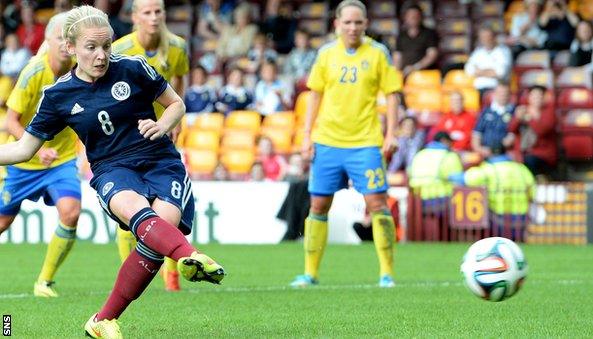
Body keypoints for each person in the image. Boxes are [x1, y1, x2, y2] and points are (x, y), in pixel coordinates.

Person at [0, 6, 225, 338]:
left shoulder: (133, 68)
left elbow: (176, 103)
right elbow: (22, 149)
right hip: (112, 169)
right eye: (91, 47)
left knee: (155, 239)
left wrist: (162, 124)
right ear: (71, 47)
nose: (101, 55)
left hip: (160, 160)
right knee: (145, 219)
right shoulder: (58, 95)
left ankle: (102, 320)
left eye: (106, 46)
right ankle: (191, 256)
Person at [290, 0, 401, 288]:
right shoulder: (326, 54)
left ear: (366, 24)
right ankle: (310, 273)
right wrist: (306, 136)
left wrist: (391, 133)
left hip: (365, 142)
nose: (353, 27)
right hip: (327, 141)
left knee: (377, 203)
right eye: (347, 22)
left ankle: (387, 274)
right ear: (336, 24)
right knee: (318, 204)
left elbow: (392, 95)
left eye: (358, 22)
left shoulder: (378, 53)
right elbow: (314, 95)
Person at [112, 0, 190, 292]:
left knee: (168, 206)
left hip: (163, 136)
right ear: (134, 17)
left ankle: (171, 275)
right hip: (127, 140)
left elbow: (180, 83)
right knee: (129, 208)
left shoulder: (177, 47)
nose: (154, 17)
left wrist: (175, 122)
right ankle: (129, 271)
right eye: (146, 12)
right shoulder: (119, 49)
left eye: (158, 11)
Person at [0, 13, 78, 298]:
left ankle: (44, 281)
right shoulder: (33, 72)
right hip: (23, 162)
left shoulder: (81, 71)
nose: (65, 44)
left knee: (71, 212)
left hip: (62, 158)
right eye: (59, 38)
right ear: (47, 40)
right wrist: (37, 147)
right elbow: (11, 122)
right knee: (3, 222)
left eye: (69, 39)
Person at [450, 143, 535, 241]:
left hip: (499, 215)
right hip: (521, 216)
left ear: (490, 153)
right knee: (516, 245)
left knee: (499, 242)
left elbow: (467, 179)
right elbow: (532, 189)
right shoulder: (521, 168)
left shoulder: (489, 168)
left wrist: (451, 176)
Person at [507, 85, 557, 177]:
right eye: (534, 96)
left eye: (539, 96)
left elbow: (542, 130)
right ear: (529, 97)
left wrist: (529, 118)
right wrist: (517, 118)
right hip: (522, 153)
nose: (536, 99)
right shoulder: (522, 109)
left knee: (529, 162)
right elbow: (511, 129)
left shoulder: (549, 112)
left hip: (542, 155)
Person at [472, 83, 516, 159]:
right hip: (484, 151)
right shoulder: (486, 111)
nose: (503, 96)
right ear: (494, 94)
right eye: (500, 93)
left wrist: (496, 150)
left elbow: (512, 137)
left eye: (505, 93)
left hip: (503, 152)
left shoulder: (514, 112)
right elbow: (477, 133)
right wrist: (479, 149)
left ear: (509, 95)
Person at [464, 25, 512, 94]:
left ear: (494, 37)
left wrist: (479, 71)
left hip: (496, 89)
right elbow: (468, 70)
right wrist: (490, 71)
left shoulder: (503, 51)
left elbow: (501, 73)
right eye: (483, 37)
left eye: (488, 37)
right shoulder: (477, 52)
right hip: (477, 89)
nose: (486, 40)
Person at [393, 4, 438, 76]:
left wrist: (416, 67)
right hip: (406, 74)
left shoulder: (430, 33)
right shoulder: (401, 35)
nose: (413, 18)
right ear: (405, 17)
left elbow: (432, 55)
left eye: (416, 15)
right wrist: (396, 73)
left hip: (426, 75)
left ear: (421, 17)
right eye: (410, 16)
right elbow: (397, 56)